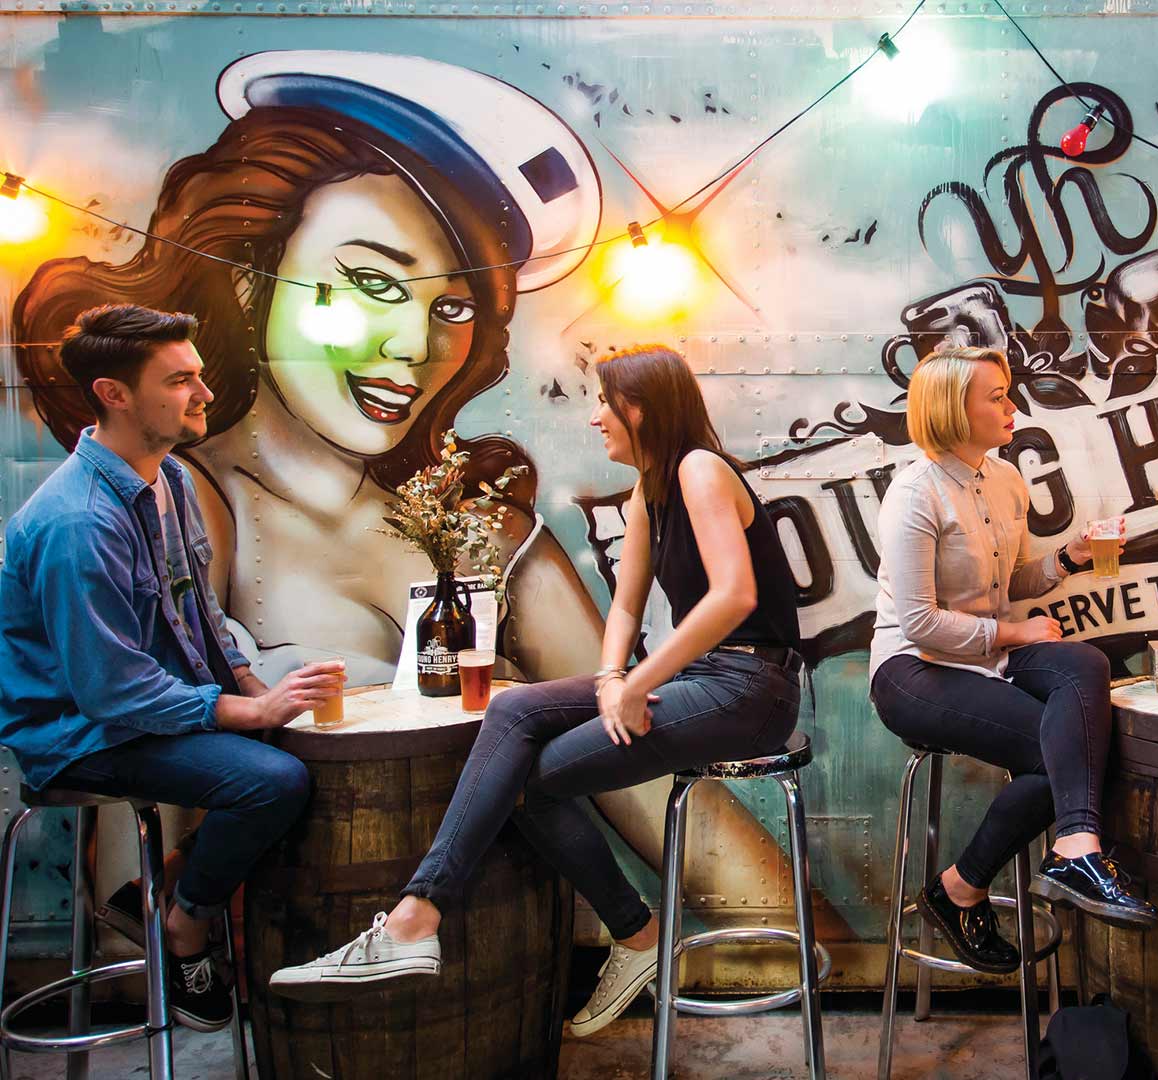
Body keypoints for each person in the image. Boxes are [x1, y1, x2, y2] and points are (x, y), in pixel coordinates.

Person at [12, 50, 820, 944]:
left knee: (521, 740)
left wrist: (803, 942)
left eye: (447, 309)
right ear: (252, 280)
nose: (410, 349)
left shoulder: (486, 529)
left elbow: (677, 806)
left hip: (707, 707)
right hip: (263, 884)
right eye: (370, 283)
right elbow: (129, 839)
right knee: (504, 730)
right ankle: (442, 924)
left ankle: (510, 925)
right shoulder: (177, 501)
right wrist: (253, 703)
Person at [269, 345, 804, 1037]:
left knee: (523, 777)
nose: (594, 419)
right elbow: (625, 608)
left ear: (640, 406)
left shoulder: (700, 470)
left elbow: (734, 596)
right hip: (707, 679)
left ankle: (437, 920)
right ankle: (444, 918)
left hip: (752, 687)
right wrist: (614, 677)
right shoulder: (652, 486)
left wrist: (639, 683)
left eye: (605, 403)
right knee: (514, 709)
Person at [0, 304, 341, 1031]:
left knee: (308, 733)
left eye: (198, 376)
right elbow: (109, 689)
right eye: (181, 380)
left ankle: (155, 890)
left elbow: (199, 617)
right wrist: (247, 714)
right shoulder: (78, 521)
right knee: (272, 780)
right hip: (81, 736)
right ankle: (185, 928)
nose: (205, 394)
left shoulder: (168, 480)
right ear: (114, 394)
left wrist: (255, 687)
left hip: (139, 713)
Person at [867, 343, 1156, 976]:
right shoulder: (914, 494)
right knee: (1068, 748)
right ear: (951, 410)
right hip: (913, 668)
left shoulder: (1005, 479)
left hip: (987, 655)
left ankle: (1070, 847)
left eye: (1008, 392)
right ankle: (965, 885)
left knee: (1084, 666)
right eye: (995, 397)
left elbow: (1011, 584)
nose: (1012, 405)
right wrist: (1016, 636)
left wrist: (1072, 557)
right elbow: (919, 620)